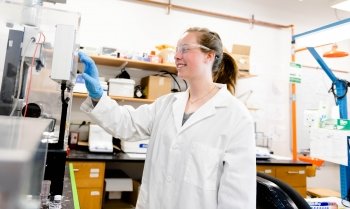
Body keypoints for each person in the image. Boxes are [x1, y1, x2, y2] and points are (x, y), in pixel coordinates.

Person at [79, 27, 256, 209]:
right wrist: (98, 96)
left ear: (209, 56)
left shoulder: (236, 117)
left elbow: (237, 199)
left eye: (185, 49)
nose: (177, 56)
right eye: (177, 50)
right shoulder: (166, 104)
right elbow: (127, 124)